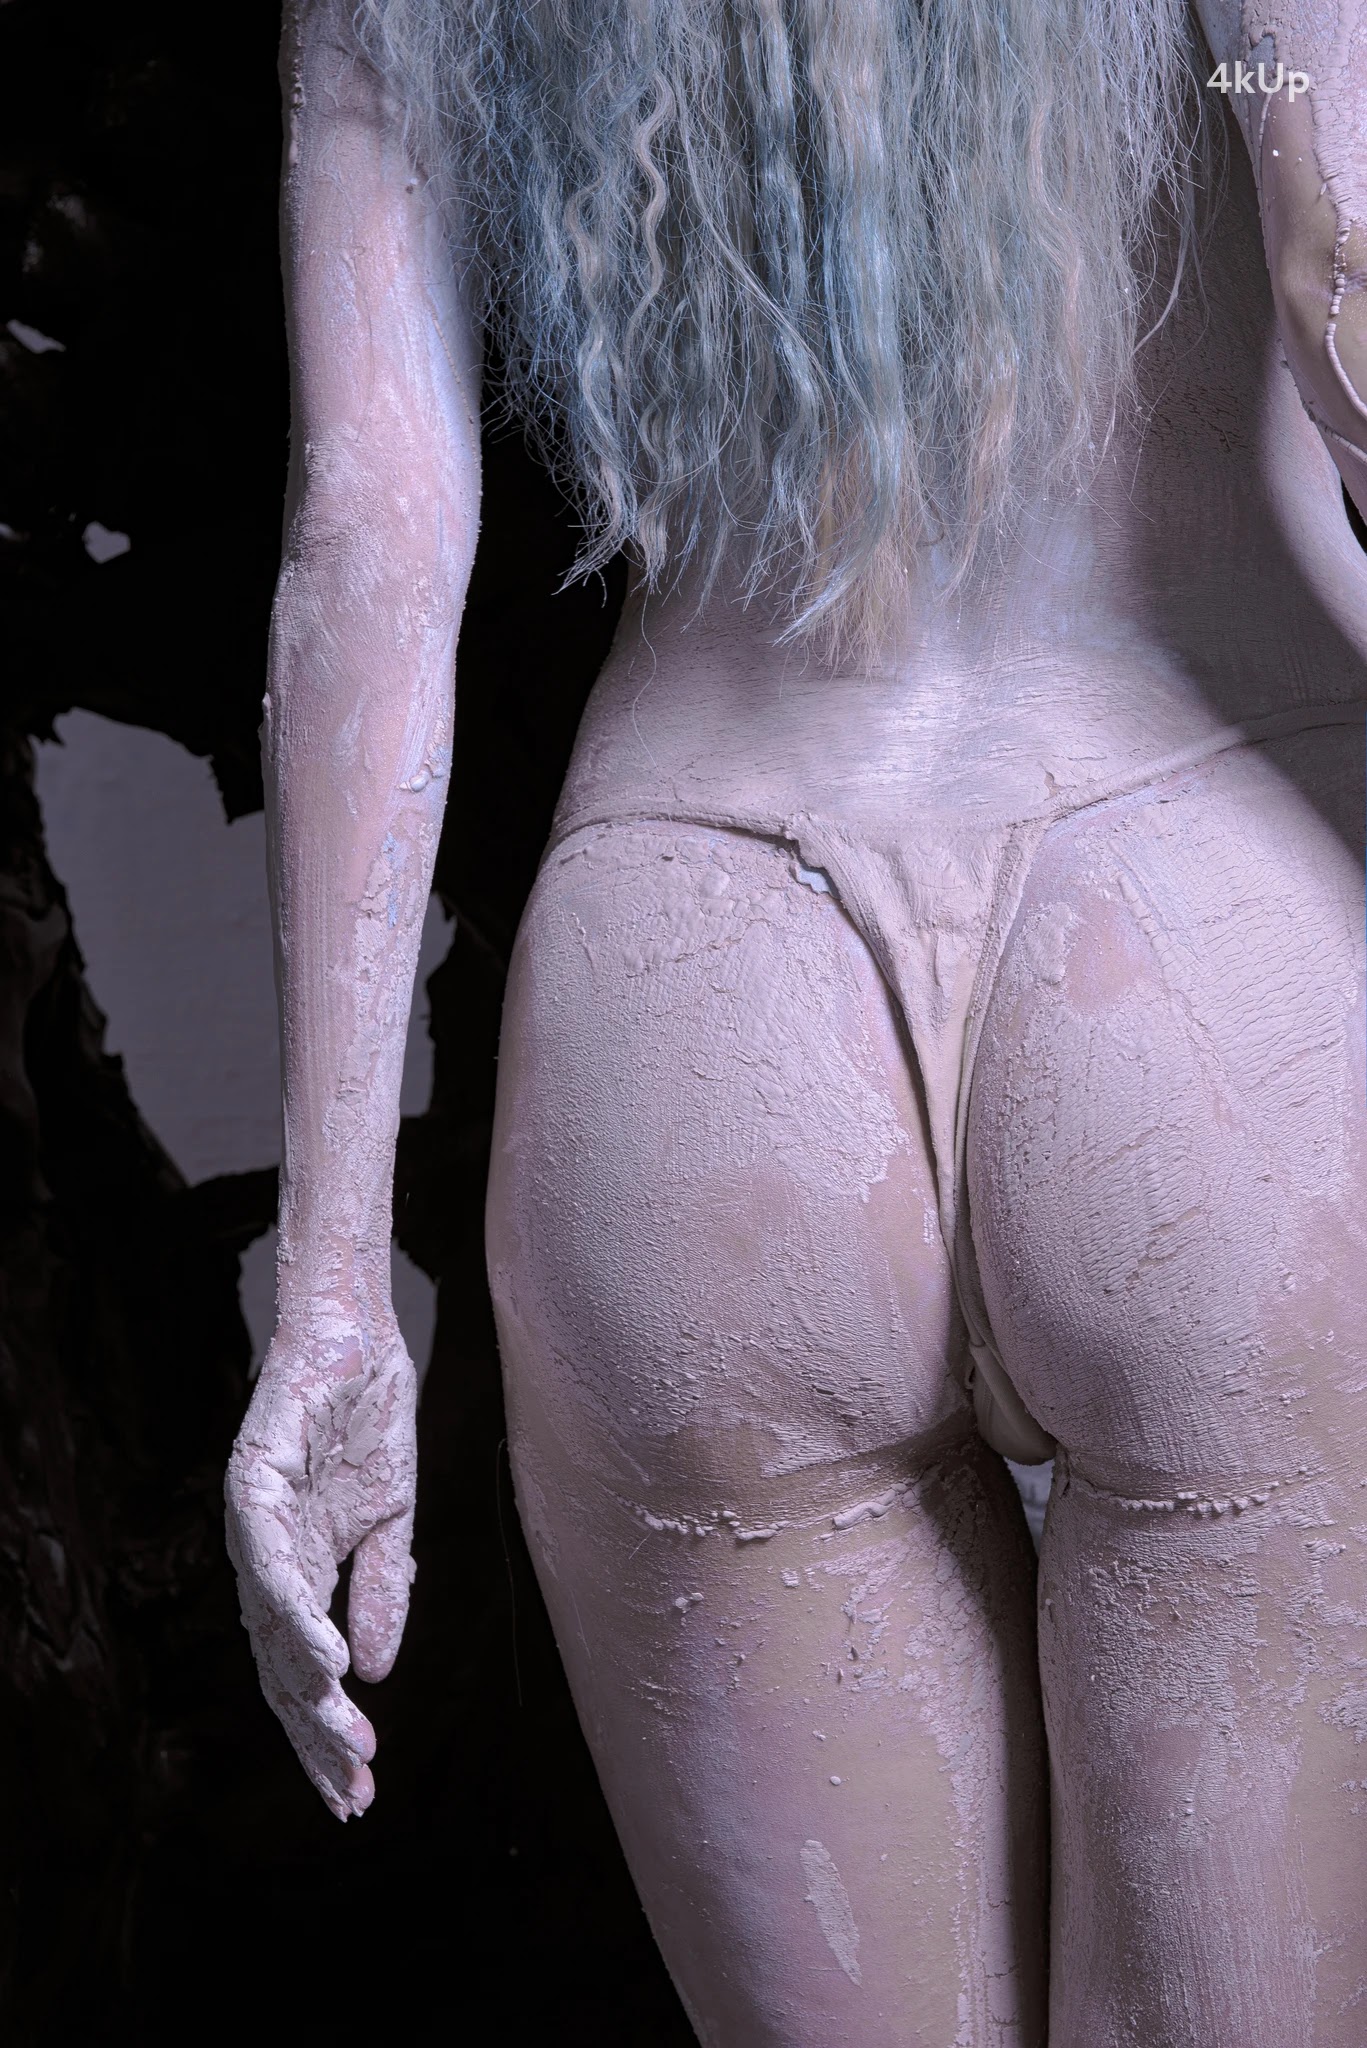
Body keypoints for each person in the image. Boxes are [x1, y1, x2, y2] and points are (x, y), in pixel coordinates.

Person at [226, 0, 1367, 2038]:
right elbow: (1344, 253)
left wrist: (327, 1298)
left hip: (704, 997)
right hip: (1214, 967)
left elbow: (369, 536)